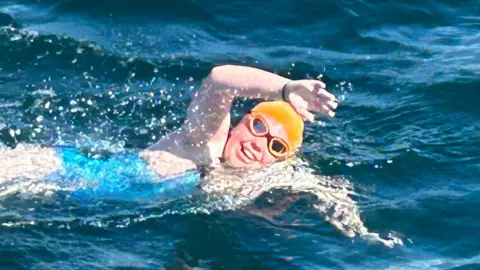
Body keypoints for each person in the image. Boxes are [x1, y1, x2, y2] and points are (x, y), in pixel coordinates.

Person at [0, 65, 399, 246]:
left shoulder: (265, 177)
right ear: (244, 121)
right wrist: (284, 89)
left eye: (275, 146)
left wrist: (361, 231)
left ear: (281, 159)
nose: (259, 143)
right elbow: (219, 80)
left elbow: (330, 190)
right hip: (54, 171)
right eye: (259, 127)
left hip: (72, 213)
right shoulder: (203, 142)